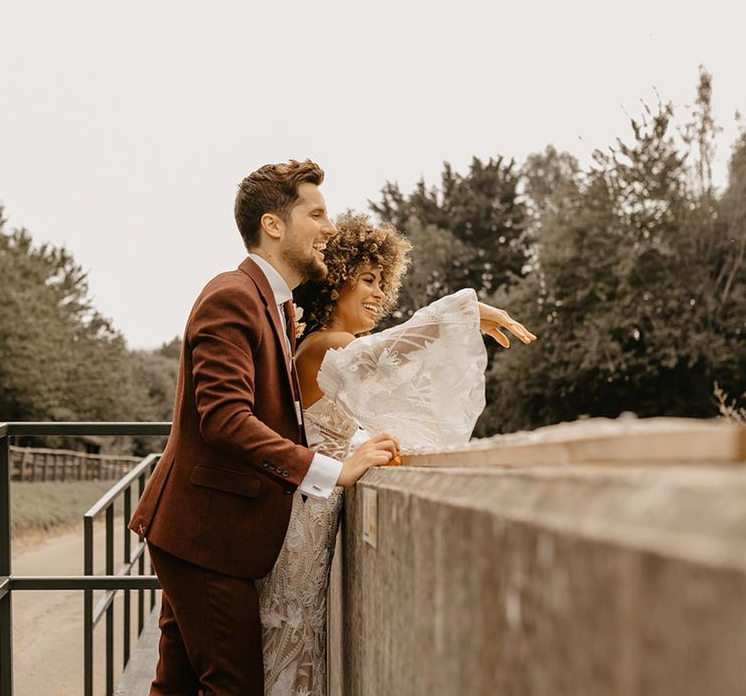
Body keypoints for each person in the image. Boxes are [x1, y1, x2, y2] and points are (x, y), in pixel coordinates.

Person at [128, 161, 401, 695]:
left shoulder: (273, 305)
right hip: (206, 532)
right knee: (233, 686)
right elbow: (226, 419)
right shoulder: (233, 295)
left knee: (177, 686)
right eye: (317, 214)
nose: (329, 228)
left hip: (205, 530)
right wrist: (333, 472)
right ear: (274, 225)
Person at [256, 212, 536, 695]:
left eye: (382, 282)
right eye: (367, 280)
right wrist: (467, 312)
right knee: (290, 641)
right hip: (300, 522)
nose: (379, 294)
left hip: (309, 514)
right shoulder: (326, 346)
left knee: (298, 643)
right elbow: (400, 346)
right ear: (337, 280)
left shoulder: (326, 350)